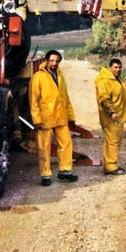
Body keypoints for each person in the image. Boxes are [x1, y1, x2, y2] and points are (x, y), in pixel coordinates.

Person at [29, 50, 79, 186]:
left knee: (66, 144)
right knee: (43, 147)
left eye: (57, 61)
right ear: (46, 60)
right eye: (52, 60)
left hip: (60, 116)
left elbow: (65, 97)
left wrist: (71, 116)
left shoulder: (60, 75)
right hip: (44, 118)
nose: (54, 63)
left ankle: (65, 171)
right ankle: (45, 175)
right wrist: (36, 118)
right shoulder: (38, 77)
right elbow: (33, 100)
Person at [94, 58, 126, 175]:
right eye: (115, 67)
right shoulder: (104, 81)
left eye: (119, 67)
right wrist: (111, 112)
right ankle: (110, 167)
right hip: (111, 117)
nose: (118, 69)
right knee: (113, 141)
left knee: (114, 141)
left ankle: (111, 163)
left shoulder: (116, 78)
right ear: (110, 67)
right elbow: (104, 99)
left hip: (118, 116)